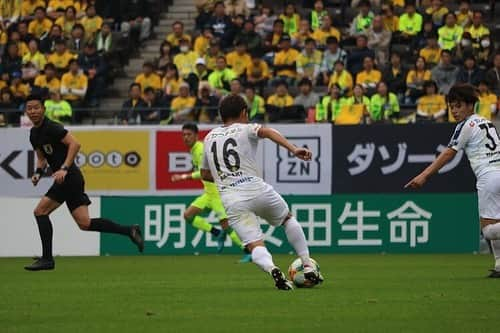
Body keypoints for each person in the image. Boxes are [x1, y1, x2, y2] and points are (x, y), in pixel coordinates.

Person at [200, 94, 321, 290]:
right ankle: (307, 265)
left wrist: (226, 177)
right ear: (244, 112)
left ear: (222, 116)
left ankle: (272, 268)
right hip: (257, 188)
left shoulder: (208, 138)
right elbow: (267, 131)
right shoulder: (246, 128)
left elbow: (204, 174)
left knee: (255, 245)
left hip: (232, 199)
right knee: (287, 219)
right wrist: (293, 149)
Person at [24, 94, 143, 271]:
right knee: (85, 223)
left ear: (44, 109)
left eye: (36, 107)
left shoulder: (52, 127)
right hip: (71, 179)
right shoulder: (34, 134)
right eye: (29, 108)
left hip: (69, 177)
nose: (33, 111)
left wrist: (64, 167)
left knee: (40, 212)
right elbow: (42, 159)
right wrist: (38, 173)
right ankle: (129, 230)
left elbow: (75, 144)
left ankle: (47, 259)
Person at [405, 84, 500, 278]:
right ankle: (499, 265)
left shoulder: (466, 125)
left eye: (458, 106)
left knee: (489, 230)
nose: (454, 111)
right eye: (451, 107)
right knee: (495, 221)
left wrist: (424, 176)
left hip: (489, 177)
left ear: (469, 105)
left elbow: (449, 153)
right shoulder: (486, 122)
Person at [171, 123, 252, 262]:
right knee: (188, 215)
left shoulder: (200, 150)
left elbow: (205, 173)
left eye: (189, 134)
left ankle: (249, 251)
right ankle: (216, 233)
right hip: (208, 193)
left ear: (196, 136)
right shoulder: (193, 150)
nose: (186, 138)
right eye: (183, 135)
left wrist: (183, 177)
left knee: (226, 224)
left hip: (217, 193)